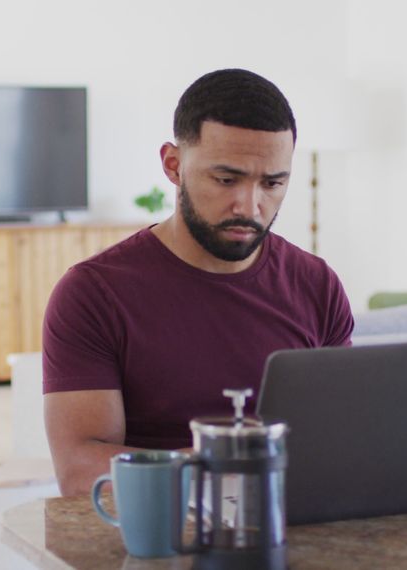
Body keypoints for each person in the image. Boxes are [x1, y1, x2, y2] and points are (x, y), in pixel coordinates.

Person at [42, 69, 354, 496]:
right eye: (226, 180)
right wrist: (235, 469)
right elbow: (79, 470)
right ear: (173, 165)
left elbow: (343, 440)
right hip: (160, 538)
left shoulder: (317, 285)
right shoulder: (93, 294)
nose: (250, 205)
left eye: (272, 183)